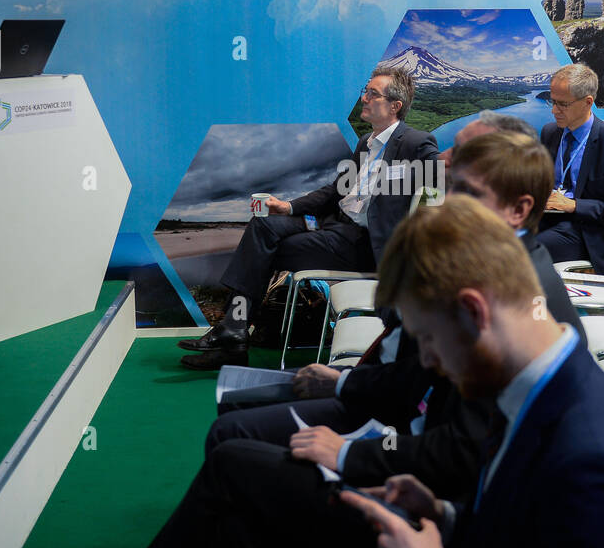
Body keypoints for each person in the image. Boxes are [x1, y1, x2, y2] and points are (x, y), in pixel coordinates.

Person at [46, 196, 604, 548]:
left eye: (428, 341)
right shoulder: (541, 391)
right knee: (236, 509)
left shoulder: (597, 461)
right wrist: (446, 516)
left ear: (474, 313)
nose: (427, 364)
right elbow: (522, 533)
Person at [130, 131, 585, 548]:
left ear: (519, 209)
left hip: (414, 486)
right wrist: (346, 381)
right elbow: (418, 376)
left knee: (234, 454)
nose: (446, 196)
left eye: (465, 189)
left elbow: (459, 449)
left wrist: (349, 455)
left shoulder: (512, 305)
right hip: (399, 432)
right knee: (235, 431)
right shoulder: (493, 272)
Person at [178, 65, 438, 370]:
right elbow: (334, 191)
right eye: (364, 91)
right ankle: (233, 331)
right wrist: (287, 207)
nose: (364, 98)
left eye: (372, 93)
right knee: (263, 225)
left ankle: (233, 333)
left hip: (366, 245)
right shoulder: (366, 143)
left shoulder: (415, 143)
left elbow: (436, 190)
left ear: (395, 106)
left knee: (263, 251)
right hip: (336, 226)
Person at [535, 63, 604, 278]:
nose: (554, 110)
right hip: (545, 219)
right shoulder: (549, 133)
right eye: (552, 101)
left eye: (562, 104)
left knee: (524, 252)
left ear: (587, 102)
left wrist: (574, 206)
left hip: (587, 232)